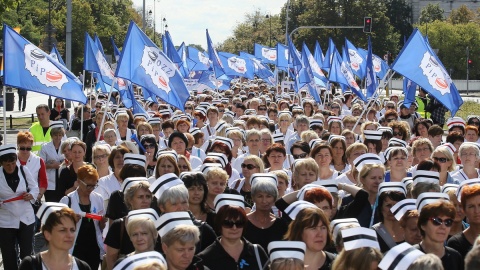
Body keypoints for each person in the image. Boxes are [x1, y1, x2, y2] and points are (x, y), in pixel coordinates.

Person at [60, 164, 106, 270]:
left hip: (93, 247)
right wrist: (71, 221)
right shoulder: (67, 200)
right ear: (79, 181)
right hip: (75, 247)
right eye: (88, 185)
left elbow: (100, 227)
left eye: (94, 185)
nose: (91, 189)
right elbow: (58, 226)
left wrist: (102, 222)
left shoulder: (98, 199)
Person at [0, 144, 39, 270]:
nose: (11, 167)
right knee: (8, 254)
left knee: (27, 254)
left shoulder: (23, 170)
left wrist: (31, 195)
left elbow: (34, 188)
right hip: (6, 220)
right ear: (1, 164)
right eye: (7, 165)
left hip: (26, 218)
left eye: (12, 163)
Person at [198, 203, 269, 270]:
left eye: (239, 223)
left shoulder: (257, 252)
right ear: (219, 225)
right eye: (228, 223)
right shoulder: (205, 258)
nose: (234, 228)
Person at [19, 206, 91, 270]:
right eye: (62, 230)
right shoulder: (30, 265)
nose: (69, 235)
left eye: (72, 230)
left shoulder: (83, 267)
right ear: (47, 234)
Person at [104, 180, 154, 270]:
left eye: (148, 197)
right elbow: (111, 258)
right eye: (140, 197)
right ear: (130, 200)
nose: (145, 200)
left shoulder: (157, 223)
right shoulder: (119, 225)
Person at [414, 199, 463, 270]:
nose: (443, 227)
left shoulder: (455, 257)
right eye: (436, 221)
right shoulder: (410, 256)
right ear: (423, 225)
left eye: (448, 222)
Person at [244, 178, 288, 251]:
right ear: (253, 198)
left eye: (268, 196)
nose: (264, 201)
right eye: (260, 196)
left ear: (274, 198)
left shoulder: (281, 224)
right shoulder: (244, 222)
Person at [447, 183, 480, 258]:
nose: (477, 211)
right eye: (471, 206)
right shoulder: (455, 243)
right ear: (464, 210)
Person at [17, 131, 48, 203]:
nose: (25, 151)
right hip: (15, 200)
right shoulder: (12, 160)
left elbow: (43, 181)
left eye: (28, 148)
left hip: (32, 200)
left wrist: (38, 195)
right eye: (22, 148)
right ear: (18, 145)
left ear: (31, 146)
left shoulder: (38, 161)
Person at [40, 121, 66, 202]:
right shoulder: (45, 147)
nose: (58, 137)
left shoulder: (66, 146)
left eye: (60, 135)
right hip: (50, 182)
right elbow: (41, 164)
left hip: (62, 181)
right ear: (51, 135)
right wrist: (51, 166)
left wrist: (59, 165)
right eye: (55, 135)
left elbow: (70, 160)